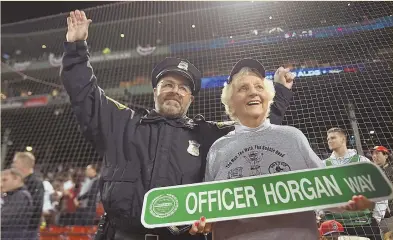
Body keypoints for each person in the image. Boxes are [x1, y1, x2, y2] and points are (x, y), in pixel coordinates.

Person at [62, 10, 294, 240]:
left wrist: (280, 92)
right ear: (155, 91)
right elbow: (84, 94)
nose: (175, 91)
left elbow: (253, 130)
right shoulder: (123, 122)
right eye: (168, 84)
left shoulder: (206, 134)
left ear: (190, 99)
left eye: (183, 88)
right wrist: (76, 48)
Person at [189, 59, 375, 240]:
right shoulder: (217, 149)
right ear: (231, 100)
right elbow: (209, 210)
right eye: (243, 88)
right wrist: (203, 222)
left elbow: (327, 190)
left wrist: (350, 201)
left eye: (259, 87)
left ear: (268, 96)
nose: (253, 92)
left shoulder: (292, 137)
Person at [321, 128, 385, 240]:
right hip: (333, 225)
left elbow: (380, 189)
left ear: (343, 139)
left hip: (362, 223)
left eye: (333, 138)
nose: (329, 141)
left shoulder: (362, 161)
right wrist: (320, 213)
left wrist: (377, 216)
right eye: (328, 139)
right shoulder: (322, 165)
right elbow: (317, 193)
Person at [12, 152, 44, 239]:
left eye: (15, 162)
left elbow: (36, 208)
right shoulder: (19, 182)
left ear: (22, 164)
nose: (13, 165)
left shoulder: (35, 182)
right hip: (18, 229)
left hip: (28, 230)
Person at [1, 168, 34, 240]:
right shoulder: (11, 195)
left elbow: (5, 219)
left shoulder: (21, 196)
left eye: (5, 180)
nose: (1, 184)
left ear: (16, 179)